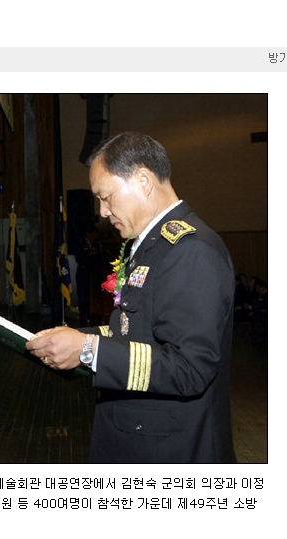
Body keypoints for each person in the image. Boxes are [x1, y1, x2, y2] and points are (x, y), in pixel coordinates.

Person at [26, 131, 236, 463]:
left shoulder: (190, 250)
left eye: (106, 197)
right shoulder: (152, 245)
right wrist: (74, 338)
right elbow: (136, 329)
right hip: (142, 436)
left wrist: (88, 349)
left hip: (170, 451)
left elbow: (190, 368)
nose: (103, 211)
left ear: (142, 180)